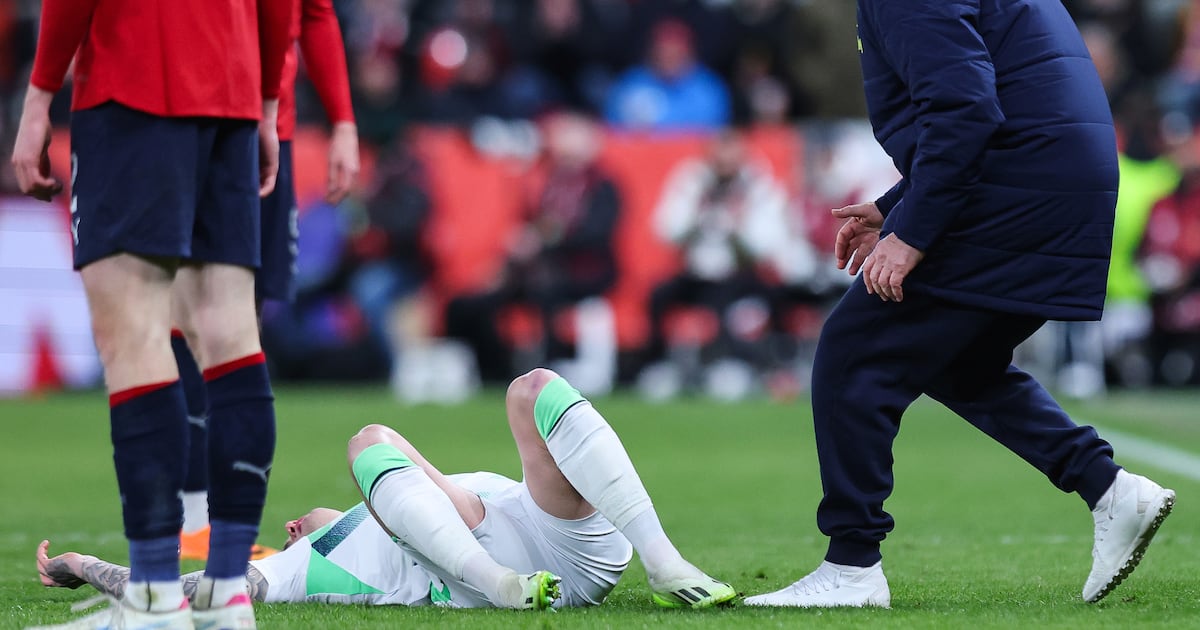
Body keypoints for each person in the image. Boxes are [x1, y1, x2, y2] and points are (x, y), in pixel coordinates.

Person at [745, 0, 1175, 609]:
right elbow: (1000, 97)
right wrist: (897, 207)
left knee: (854, 351)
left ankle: (851, 564)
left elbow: (966, 109)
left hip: (1023, 184)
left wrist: (913, 232)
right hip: (1052, 177)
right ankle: (1108, 489)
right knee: (955, 358)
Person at [11, 0, 293, 627]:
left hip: (134, 81)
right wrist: (268, 102)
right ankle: (225, 592)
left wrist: (38, 95)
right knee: (229, 330)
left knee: (135, 332)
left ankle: (156, 596)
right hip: (232, 87)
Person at [36, 369, 737, 611]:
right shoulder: (298, 567)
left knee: (532, 389)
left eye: (292, 524)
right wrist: (87, 568)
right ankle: (497, 585)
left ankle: (665, 561)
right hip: (493, 567)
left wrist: (383, 484)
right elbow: (200, 594)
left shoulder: (396, 502)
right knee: (367, 438)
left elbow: (431, 488)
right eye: (286, 532)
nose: (291, 527)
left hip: (556, 540)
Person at [172, 0, 361, 564]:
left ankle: (216, 521)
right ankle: (192, 518)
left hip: (271, 128)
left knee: (242, 321)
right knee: (188, 313)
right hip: (199, 114)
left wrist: (343, 121)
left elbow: (314, 15)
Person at [445, 113, 620, 383]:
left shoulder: (603, 186)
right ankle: (490, 369)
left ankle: (547, 371)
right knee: (474, 302)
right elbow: (533, 225)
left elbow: (595, 234)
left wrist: (547, 239)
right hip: (540, 269)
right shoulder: (549, 182)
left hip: (584, 270)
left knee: (545, 292)